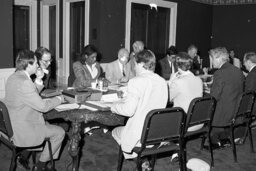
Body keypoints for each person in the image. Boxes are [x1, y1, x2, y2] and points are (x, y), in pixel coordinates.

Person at [4, 49, 65, 171]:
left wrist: (38, 80)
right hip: (24, 129)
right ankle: (40, 166)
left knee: (47, 124)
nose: (38, 65)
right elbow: (42, 106)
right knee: (60, 132)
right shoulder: (25, 82)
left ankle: (36, 160)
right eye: (36, 62)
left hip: (13, 124)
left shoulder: (14, 77)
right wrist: (60, 98)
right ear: (29, 64)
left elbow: (31, 96)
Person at [108, 50, 168, 160]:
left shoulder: (136, 81)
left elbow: (128, 111)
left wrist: (113, 106)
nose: (134, 68)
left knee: (115, 131)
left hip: (140, 135)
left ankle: (136, 156)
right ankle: (142, 157)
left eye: (135, 64)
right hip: (157, 133)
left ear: (140, 64)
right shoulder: (163, 82)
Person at [209, 47, 244, 148]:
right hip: (236, 111)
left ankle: (215, 139)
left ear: (219, 58)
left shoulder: (219, 73)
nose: (211, 61)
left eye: (212, 58)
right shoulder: (238, 71)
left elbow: (214, 96)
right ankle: (224, 137)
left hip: (223, 114)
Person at [168, 52, 203, 131]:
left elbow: (168, 99)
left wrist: (171, 81)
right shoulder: (199, 80)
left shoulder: (177, 82)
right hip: (199, 121)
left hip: (184, 123)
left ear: (176, 65)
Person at [234, 52, 256, 144]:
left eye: (244, 62)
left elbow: (247, 95)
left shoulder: (252, 75)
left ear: (248, 61)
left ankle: (238, 136)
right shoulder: (253, 73)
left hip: (252, 106)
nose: (243, 64)